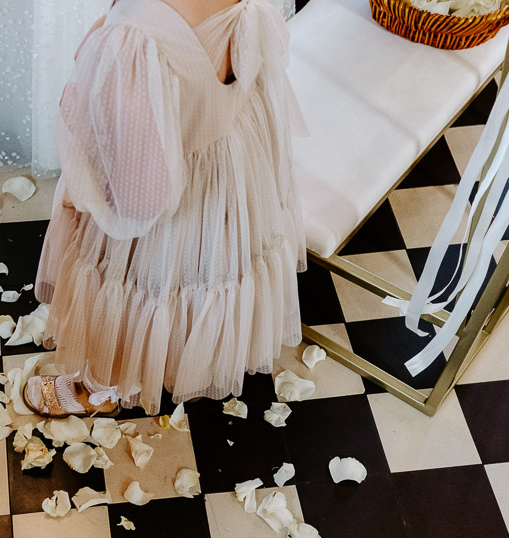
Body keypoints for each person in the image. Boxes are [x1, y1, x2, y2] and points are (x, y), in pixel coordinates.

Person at [23, 0, 307, 417]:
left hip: (164, 187)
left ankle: (100, 384)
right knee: (201, 273)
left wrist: (102, 55)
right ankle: (186, 354)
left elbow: (135, 196)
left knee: (141, 277)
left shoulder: (137, 34)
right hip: (230, 162)